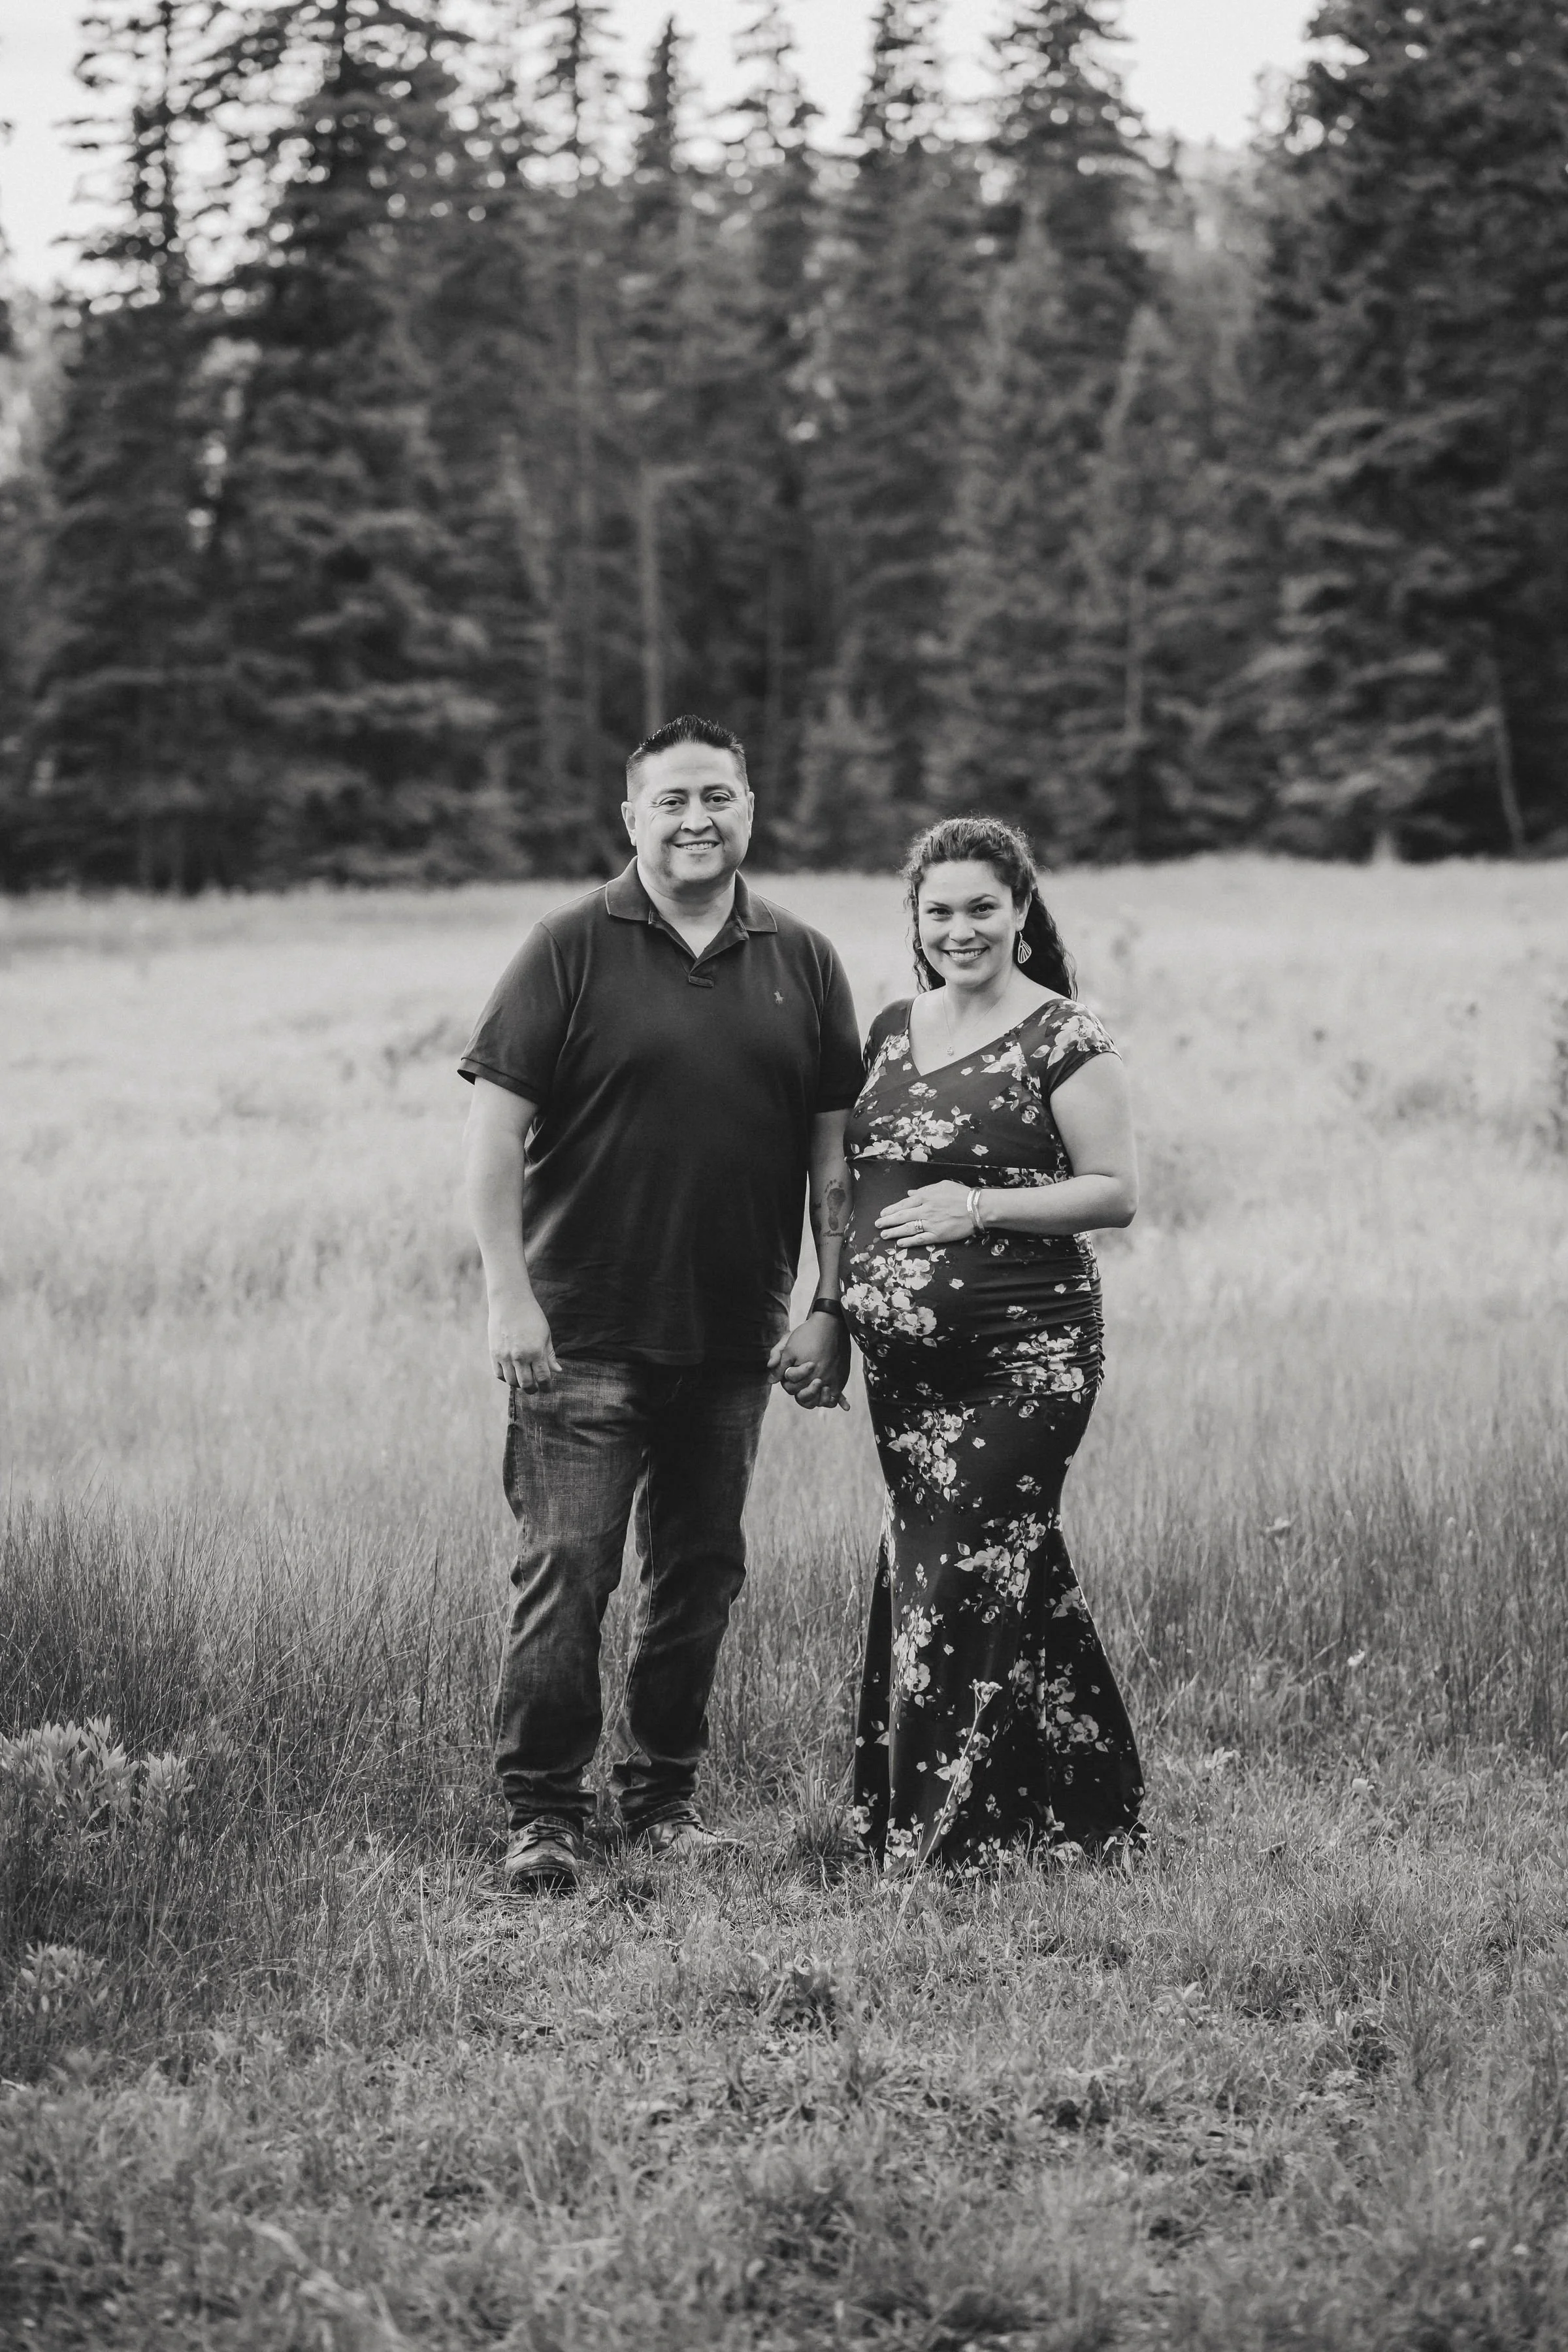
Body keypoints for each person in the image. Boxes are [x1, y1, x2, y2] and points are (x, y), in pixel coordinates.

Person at [459, 714, 862, 1895]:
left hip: (736, 1339)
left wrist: (832, 1304)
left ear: (750, 807)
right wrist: (507, 1297)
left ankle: (664, 1800)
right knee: (568, 1572)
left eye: (718, 798)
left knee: (700, 1575)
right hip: (578, 1335)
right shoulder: (568, 945)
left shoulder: (805, 957)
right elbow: (492, 1137)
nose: (698, 819)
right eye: (673, 800)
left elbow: (833, 1160)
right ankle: (545, 1814)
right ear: (630, 816)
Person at [839, 817, 1145, 1875]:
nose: (960, 929)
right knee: (999, 1566)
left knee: (958, 1565)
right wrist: (836, 1309)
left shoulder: (1066, 1035)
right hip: (906, 1371)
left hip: (1030, 1355)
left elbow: (1115, 1192)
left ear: (1020, 912)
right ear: (914, 923)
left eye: (982, 908)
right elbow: (858, 1191)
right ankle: (1081, 1805)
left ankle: (937, 1842)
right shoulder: (886, 1030)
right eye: (940, 911)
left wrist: (979, 1208)